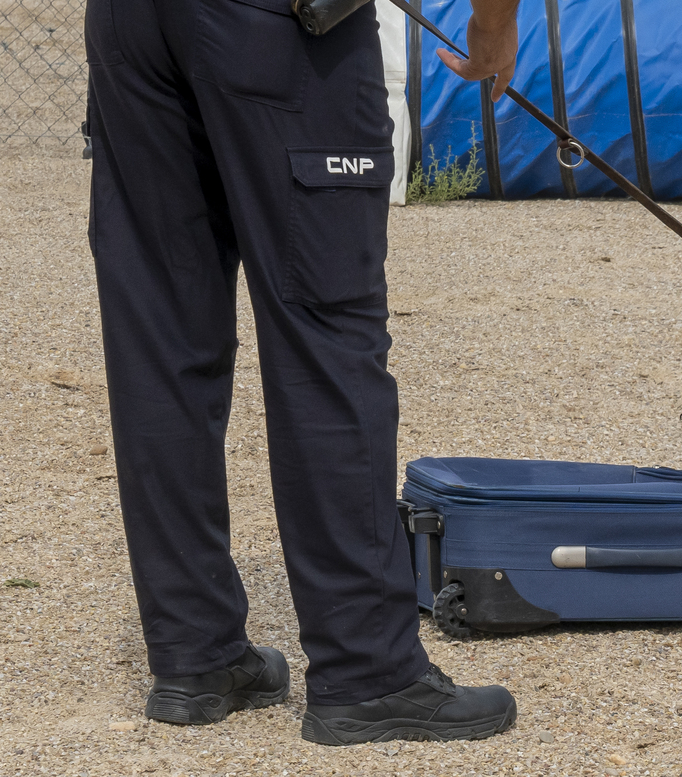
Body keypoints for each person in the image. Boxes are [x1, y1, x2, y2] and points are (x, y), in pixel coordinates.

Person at [83, 0, 520, 744]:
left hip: (128, 23)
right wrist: (494, 23)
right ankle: (369, 672)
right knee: (325, 337)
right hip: (276, 29)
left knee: (159, 338)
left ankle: (194, 652)